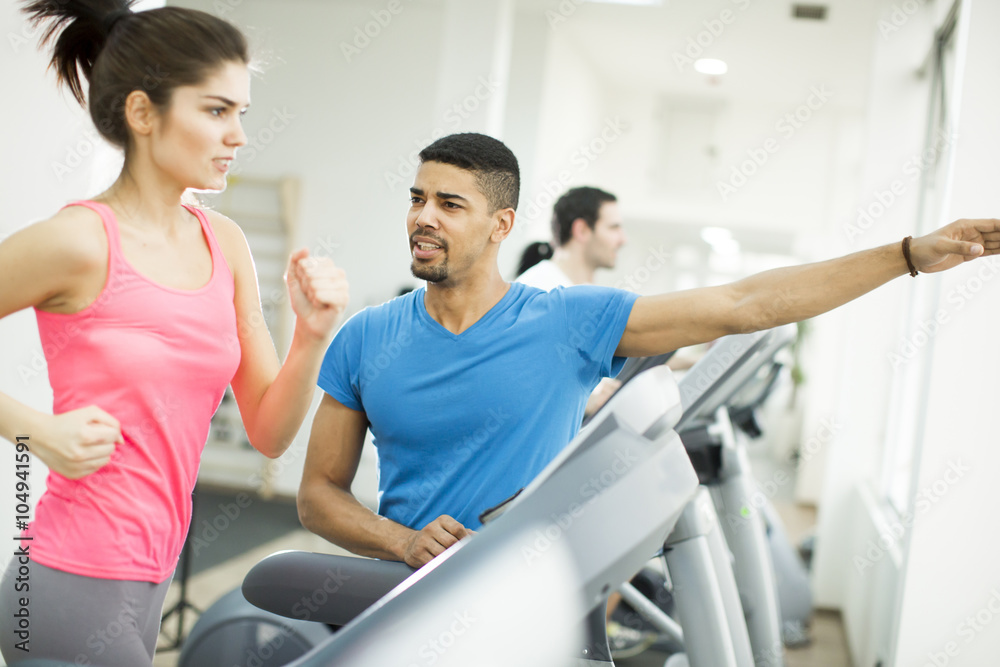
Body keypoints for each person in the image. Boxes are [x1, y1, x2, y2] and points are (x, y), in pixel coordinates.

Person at [297, 132, 996, 570]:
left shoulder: (567, 320)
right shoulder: (367, 335)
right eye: (417, 198)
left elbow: (742, 303)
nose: (422, 216)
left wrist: (907, 254)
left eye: (449, 204)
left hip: (524, 585)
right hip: (409, 585)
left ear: (500, 225)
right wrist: (399, 539)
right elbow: (318, 493)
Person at [0, 2, 349, 665]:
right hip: (72, 574)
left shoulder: (227, 243)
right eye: (217, 110)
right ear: (142, 113)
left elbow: (270, 430)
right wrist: (35, 432)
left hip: (152, 573)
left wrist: (311, 336)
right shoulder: (78, 242)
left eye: (242, 112)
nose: (239, 134)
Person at [517, 186, 625, 290]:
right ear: (581, 230)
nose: (623, 240)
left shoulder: (582, 292)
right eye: (613, 228)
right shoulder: (538, 293)